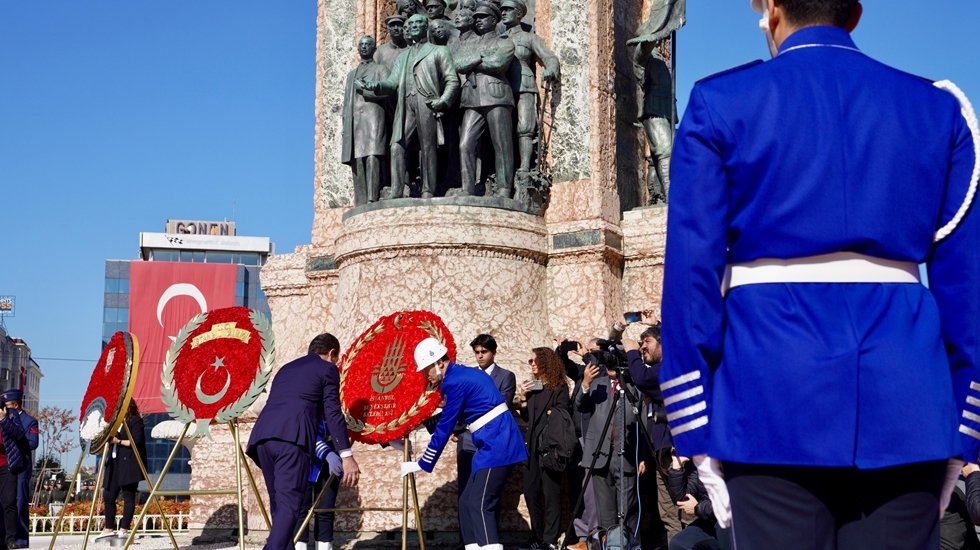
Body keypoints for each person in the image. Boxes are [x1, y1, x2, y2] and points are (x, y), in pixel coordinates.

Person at [659, 0, 980, 548]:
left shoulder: (719, 102)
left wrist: (695, 425)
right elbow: (966, 288)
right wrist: (963, 429)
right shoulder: (937, 107)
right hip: (909, 402)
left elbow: (692, 279)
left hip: (767, 400)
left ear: (774, 9)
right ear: (853, 14)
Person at [402, 337, 527, 550]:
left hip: (497, 443)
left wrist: (423, 463)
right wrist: (407, 428)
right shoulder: (459, 375)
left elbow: (445, 426)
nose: (425, 376)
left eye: (426, 370)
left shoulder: (454, 381)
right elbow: (450, 418)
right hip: (489, 443)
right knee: (468, 501)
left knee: (480, 504)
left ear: (439, 363)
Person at [246, 333, 361, 550]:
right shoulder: (327, 369)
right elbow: (333, 412)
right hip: (291, 440)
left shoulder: (286, 369)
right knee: (290, 507)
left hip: (262, 438)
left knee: (280, 509)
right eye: (335, 359)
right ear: (331, 353)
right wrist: (346, 455)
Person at [358, 14, 461, 200]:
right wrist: (377, 85)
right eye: (410, 24)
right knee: (396, 146)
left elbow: (452, 80)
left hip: (427, 102)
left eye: (418, 23)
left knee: (427, 146)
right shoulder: (402, 57)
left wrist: (443, 101)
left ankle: (427, 189)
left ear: (425, 27)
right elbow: (392, 82)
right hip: (405, 104)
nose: (413, 26)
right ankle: (397, 190)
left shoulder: (438, 51)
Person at [618, 321, 682, 544]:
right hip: (661, 452)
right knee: (669, 515)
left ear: (663, 344)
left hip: (678, 454)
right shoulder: (658, 377)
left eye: (647, 342)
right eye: (640, 343)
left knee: (688, 512)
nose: (643, 346)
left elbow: (643, 378)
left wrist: (631, 352)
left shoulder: (670, 366)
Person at [577, 347, 643, 547]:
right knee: (604, 514)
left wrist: (644, 457)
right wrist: (585, 383)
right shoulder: (599, 383)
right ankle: (608, 545)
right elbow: (581, 405)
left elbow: (645, 421)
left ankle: (630, 545)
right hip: (600, 456)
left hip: (626, 455)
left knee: (628, 511)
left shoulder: (635, 385)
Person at [454, 2, 517, 198]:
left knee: (502, 144)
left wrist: (473, 61)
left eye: (482, 17)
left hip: (496, 95)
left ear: (493, 20)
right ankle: (468, 189)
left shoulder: (504, 41)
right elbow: (458, 64)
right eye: (477, 17)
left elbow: (498, 63)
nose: (478, 20)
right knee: (465, 143)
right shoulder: (470, 43)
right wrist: (480, 58)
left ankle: (504, 189)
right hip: (472, 98)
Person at [516, 347, 570, 550]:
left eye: (534, 360)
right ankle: (537, 537)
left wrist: (550, 412)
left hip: (550, 447)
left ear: (546, 361)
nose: (531, 364)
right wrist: (522, 399)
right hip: (531, 447)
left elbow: (562, 412)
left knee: (551, 494)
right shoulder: (534, 388)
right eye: (529, 361)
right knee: (531, 493)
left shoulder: (559, 387)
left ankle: (549, 540)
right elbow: (527, 417)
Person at [499, 0, 559, 182]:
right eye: (502, 10)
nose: (503, 13)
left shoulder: (529, 37)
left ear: (519, 14)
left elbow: (549, 57)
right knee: (502, 130)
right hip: (501, 87)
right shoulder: (497, 39)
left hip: (523, 85)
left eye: (508, 10)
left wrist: (550, 69)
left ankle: (525, 168)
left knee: (525, 127)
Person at [456, 334, 516, 497]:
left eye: (484, 351)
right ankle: (465, 524)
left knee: (487, 494)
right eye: (477, 352)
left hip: (491, 441)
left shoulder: (506, 376)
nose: (480, 356)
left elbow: (502, 406)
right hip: (467, 440)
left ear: (494, 352)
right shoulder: (466, 375)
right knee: (465, 490)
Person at [342, 35, 390, 206]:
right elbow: (347, 102)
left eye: (368, 44)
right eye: (361, 45)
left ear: (374, 49)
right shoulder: (351, 75)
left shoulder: (381, 69)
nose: (364, 47)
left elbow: (388, 91)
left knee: (372, 155)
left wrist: (365, 90)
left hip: (374, 116)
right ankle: (360, 200)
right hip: (355, 121)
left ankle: (372, 197)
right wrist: (345, 124)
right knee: (357, 159)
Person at [96, 400, 146, 540]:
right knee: (109, 495)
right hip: (114, 463)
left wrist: (118, 441)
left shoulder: (135, 420)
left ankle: (124, 528)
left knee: (128, 496)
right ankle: (108, 527)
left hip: (129, 464)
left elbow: (138, 441)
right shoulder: (114, 422)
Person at [296, 422, 343, 550]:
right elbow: (306, 432)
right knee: (301, 510)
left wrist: (389, 440)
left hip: (331, 461)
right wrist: (328, 454)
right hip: (305, 459)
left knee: (326, 509)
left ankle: (324, 547)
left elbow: (356, 426)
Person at [0, 390, 37, 549]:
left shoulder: (29, 420)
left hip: (20, 464)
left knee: (19, 501)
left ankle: (20, 539)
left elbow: (32, 442)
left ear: (15, 404)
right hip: (8, 465)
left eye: (6, 405)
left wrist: (17, 444)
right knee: (7, 502)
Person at [0, 406, 25, 549]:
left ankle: (10, 539)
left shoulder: (11, 415)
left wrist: (3, 419)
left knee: (8, 501)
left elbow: (19, 434)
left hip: (6, 465)